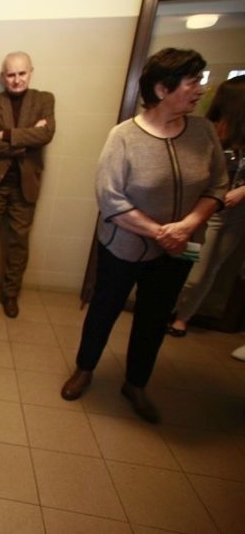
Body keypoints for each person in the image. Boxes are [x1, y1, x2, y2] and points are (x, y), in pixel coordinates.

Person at [60, 48, 228, 424]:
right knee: (104, 310)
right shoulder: (124, 137)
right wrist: (158, 231)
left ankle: (136, 383)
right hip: (124, 245)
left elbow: (218, 184)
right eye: (192, 81)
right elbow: (109, 197)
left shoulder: (201, 132)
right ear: (162, 88)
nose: (200, 89)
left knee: (154, 317)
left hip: (179, 248)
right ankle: (85, 368)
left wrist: (185, 227)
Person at [0, 51, 55, 318]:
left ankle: (11, 295)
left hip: (25, 185)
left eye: (22, 73)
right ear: (3, 76)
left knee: (19, 243)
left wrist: (7, 135)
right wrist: (25, 143)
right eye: (11, 74)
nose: (17, 79)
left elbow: (46, 134)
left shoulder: (44, 100)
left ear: (31, 72)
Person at [167, 75, 245, 337]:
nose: (200, 91)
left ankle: (183, 319)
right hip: (205, 216)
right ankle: (167, 309)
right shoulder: (208, 132)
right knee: (193, 268)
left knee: (213, 269)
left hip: (237, 217)